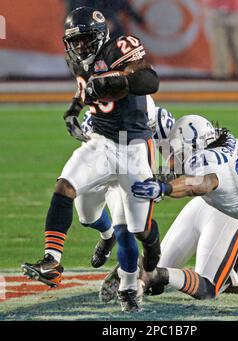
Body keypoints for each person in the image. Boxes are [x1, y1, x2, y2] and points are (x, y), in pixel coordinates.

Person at [21, 6, 159, 313]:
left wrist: (113, 82)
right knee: (65, 188)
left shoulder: (119, 48)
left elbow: (149, 80)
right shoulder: (77, 58)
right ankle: (52, 261)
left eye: (86, 39)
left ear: (101, 35)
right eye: (76, 40)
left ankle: (149, 259)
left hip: (134, 148)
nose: (81, 46)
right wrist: (72, 110)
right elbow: (85, 87)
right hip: (100, 142)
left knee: (139, 229)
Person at [132, 115, 238, 242]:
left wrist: (165, 188)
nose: (179, 156)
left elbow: (201, 184)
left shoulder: (207, 162)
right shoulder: (224, 140)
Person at [100, 196, 238, 302]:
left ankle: (128, 267)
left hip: (203, 204)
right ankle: (157, 274)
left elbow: (229, 286)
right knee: (206, 288)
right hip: (230, 218)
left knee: (154, 279)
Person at [76, 99, 175, 269]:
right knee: (86, 218)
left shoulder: (160, 119)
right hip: (101, 173)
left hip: (130, 177)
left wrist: (162, 182)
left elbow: (173, 161)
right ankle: (108, 236)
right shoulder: (95, 118)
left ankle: (130, 282)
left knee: (125, 228)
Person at [203, 0, 238, 80]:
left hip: (236, 11)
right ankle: (222, 72)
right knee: (220, 44)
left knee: (237, 43)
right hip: (218, 10)